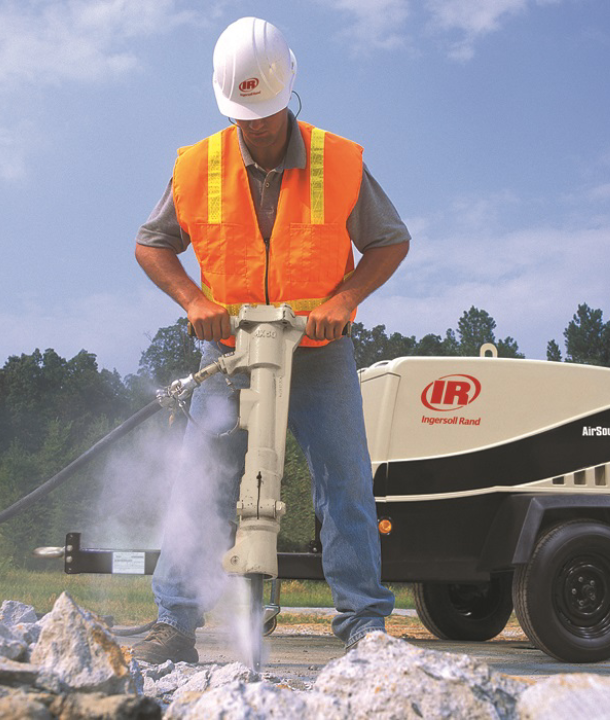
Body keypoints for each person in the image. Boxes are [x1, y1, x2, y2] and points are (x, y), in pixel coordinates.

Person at [132, 16, 410, 663]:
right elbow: (152, 245)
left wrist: (345, 299)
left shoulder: (334, 160)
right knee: (199, 479)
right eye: (243, 114)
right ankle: (175, 623)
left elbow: (389, 240)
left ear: (287, 94)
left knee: (344, 483)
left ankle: (366, 629)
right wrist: (195, 301)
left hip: (316, 352)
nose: (253, 126)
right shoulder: (198, 165)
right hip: (229, 355)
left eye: (263, 112)